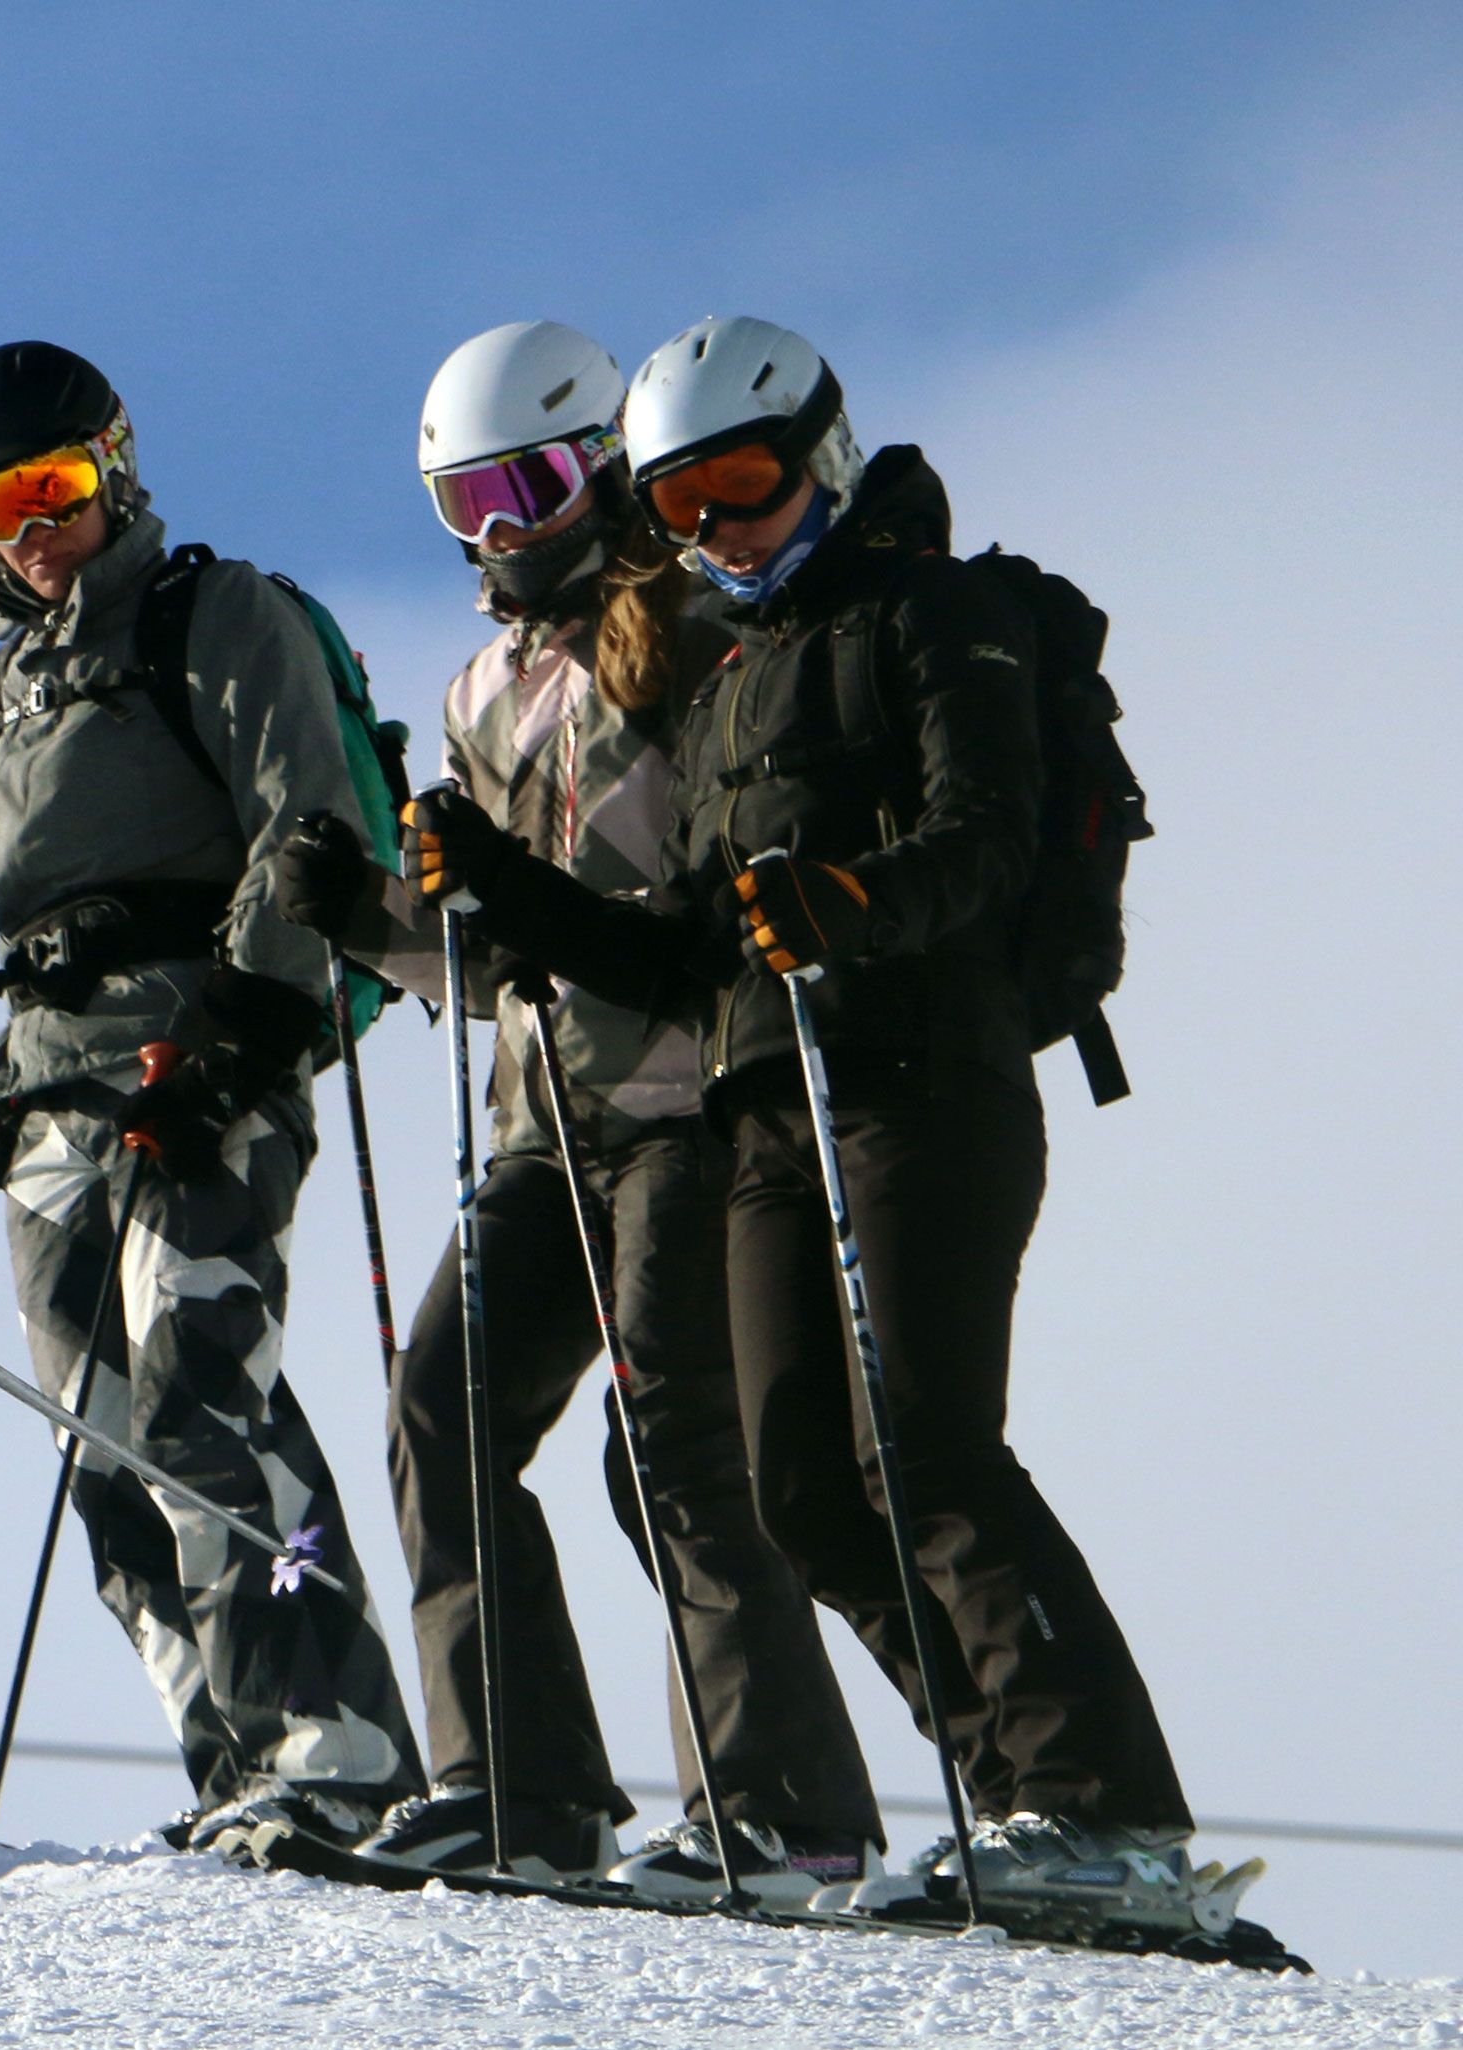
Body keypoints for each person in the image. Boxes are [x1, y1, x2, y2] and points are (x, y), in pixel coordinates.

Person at [403, 316, 1221, 1931]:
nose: (720, 524)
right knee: (800, 1486)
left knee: (921, 1440)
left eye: (748, 482)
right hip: (766, 1103)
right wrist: (497, 886)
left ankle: (1108, 1811)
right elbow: (681, 952)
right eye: (683, 498)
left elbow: (982, 834)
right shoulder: (729, 687)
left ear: (821, 456)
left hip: (926, 1073)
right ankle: (1014, 1805)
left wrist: (855, 898)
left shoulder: (938, 610)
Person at [264, 321, 881, 1900]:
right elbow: (483, 957)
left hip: (688, 1100)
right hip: (547, 1111)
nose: (501, 531)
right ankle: (521, 1788)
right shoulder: (480, 688)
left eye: (530, 484)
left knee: (673, 1440)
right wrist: (362, 911)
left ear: (603, 462)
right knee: (443, 1409)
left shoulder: (690, 625)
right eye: (464, 502)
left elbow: (690, 883)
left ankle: (785, 1808)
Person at [0, 340, 423, 1857]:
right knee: (106, 1441)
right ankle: (231, 1761)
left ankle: (335, 1746)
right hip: (63, 1092)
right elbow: (44, 935)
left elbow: (303, 819)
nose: (34, 532)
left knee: (208, 1390)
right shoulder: (2, 690)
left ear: (116, 465)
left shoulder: (215, 613)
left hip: (203, 1061)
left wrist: (254, 1029)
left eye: (57, 489)